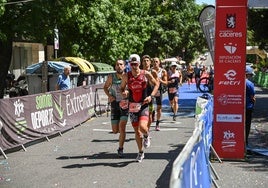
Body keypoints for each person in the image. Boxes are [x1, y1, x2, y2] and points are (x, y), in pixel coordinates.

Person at [120, 54, 159, 162]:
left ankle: (146, 135)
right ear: (129, 64)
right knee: (137, 132)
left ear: (139, 64)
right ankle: (140, 152)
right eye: (132, 64)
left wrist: (151, 96)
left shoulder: (145, 74)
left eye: (136, 64)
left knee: (142, 127)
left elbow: (156, 84)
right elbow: (122, 88)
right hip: (133, 105)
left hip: (144, 104)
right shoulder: (126, 76)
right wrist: (124, 93)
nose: (134, 66)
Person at [103, 59, 128, 158]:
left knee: (122, 127)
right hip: (114, 104)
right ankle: (120, 143)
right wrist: (109, 96)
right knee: (115, 130)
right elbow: (105, 87)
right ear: (115, 67)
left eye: (121, 64)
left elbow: (131, 89)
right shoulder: (111, 77)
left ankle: (120, 148)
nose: (119, 66)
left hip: (124, 103)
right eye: (117, 64)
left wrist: (127, 93)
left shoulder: (127, 77)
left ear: (124, 66)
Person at [141, 55, 159, 132]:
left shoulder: (153, 72)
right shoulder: (140, 72)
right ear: (142, 63)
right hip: (141, 95)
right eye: (144, 61)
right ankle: (143, 129)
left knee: (150, 116)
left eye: (147, 61)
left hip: (150, 95)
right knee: (141, 115)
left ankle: (147, 131)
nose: (146, 62)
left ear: (150, 62)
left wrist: (154, 94)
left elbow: (157, 84)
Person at [152, 57, 168, 131]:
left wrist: (160, 80)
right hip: (151, 90)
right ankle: (152, 113)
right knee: (150, 107)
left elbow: (166, 82)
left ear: (159, 63)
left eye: (156, 61)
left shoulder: (163, 71)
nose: (155, 63)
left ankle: (157, 123)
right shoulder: (150, 71)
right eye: (154, 61)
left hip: (159, 90)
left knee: (159, 107)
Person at [245, 65, 256, 147]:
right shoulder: (250, 84)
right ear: (247, 74)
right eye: (251, 75)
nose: (251, 76)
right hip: (248, 107)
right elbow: (253, 97)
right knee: (247, 125)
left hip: (238, 107)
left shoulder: (237, 82)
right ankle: (245, 142)